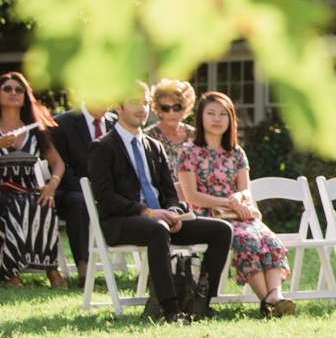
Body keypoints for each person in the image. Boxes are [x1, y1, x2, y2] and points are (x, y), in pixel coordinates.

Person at [87, 83, 233, 323]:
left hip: (162, 222)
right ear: (118, 107)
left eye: (144, 103)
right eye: (134, 102)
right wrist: (147, 212)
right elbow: (105, 197)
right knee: (158, 228)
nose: (142, 109)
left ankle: (202, 302)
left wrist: (174, 211)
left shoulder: (154, 146)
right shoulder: (102, 147)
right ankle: (170, 309)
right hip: (122, 223)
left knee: (221, 230)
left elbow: (169, 191)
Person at [176, 92, 295, 318]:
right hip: (207, 217)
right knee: (247, 240)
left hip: (239, 213)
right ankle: (269, 301)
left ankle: (274, 297)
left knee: (269, 239)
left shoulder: (237, 153)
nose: (217, 119)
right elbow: (191, 196)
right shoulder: (189, 152)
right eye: (210, 113)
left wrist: (239, 198)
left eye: (223, 114)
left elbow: (245, 189)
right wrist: (228, 201)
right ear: (200, 118)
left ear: (231, 119)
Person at [0, 72, 65, 289]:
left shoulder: (35, 130)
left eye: (19, 90)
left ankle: (51, 270)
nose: (13, 93)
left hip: (29, 187)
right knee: (13, 205)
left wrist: (52, 186)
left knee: (42, 202)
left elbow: (58, 163)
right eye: (7, 89)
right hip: (3, 188)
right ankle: (11, 272)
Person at [51, 99, 115, 282]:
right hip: (72, 189)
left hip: (109, 191)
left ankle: (150, 269)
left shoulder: (116, 123)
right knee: (79, 201)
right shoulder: (62, 123)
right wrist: (91, 190)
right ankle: (83, 265)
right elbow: (61, 166)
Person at [143, 79, 196, 171]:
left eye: (176, 107)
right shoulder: (147, 137)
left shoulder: (195, 135)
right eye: (165, 108)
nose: (171, 113)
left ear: (185, 107)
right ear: (158, 110)